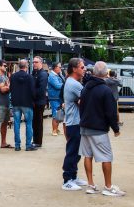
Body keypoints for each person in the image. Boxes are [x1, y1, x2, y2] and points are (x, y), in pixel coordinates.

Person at [79, 61, 125, 196]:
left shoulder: (86, 87)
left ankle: (91, 184)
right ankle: (108, 186)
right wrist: (115, 128)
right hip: (98, 128)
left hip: (85, 126)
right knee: (106, 157)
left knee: (87, 155)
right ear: (106, 73)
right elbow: (110, 112)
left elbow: (81, 106)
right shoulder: (105, 90)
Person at [62, 58, 88, 191]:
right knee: (72, 151)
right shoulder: (74, 84)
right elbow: (87, 100)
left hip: (74, 121)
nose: (84, 69)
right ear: (74, 69)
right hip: (74, 122)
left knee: (76, 151)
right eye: (82, 67)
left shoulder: (72, 82)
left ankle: (73, 176)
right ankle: (67, 179)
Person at [10, 59, 37, 151]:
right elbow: (33, 91)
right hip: (27, 103)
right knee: (29, 124)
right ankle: (28, 145)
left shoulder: (13, 77)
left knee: (16, 124)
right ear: (27, 66)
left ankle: (17, 145)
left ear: (18, 66)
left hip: (16, 103)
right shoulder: (30, 77)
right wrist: (34, 100)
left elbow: (11, 89)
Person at [31, 56, 49, 147]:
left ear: (41, 63)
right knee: (35, 122)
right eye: (33, 62)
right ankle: (35, 140)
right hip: (34, 101)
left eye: (36, 62)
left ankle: (38, 142)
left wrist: (32, 95)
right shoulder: (34, 73)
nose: (34, 64)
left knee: (38, 122)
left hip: (39, 102)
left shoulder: (43, 74)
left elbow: (41, 90)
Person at [47, 62, 64, 136]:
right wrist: (66, 84)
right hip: (54, 97)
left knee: (59, 113)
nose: (61, 68)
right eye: (59, 67)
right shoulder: (52, 76)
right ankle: (54, 130)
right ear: (55, 67)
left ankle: (56, 129)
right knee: (55, 114)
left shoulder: (59, 75)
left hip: (58, 97)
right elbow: (57, 86)